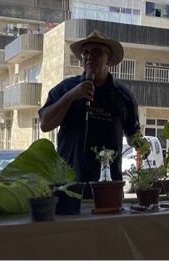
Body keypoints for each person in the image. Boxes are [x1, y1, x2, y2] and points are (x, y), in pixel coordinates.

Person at [38, 30, 141, 198]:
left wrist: (141, 142)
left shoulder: (124, 96)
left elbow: (133, 134)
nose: (89, 56)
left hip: (108, 186)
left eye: (96, 52)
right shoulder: (65, 88)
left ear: (109, 58)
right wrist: (72, 95)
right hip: (69, 186)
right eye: (85, 52)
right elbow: (45, 124)